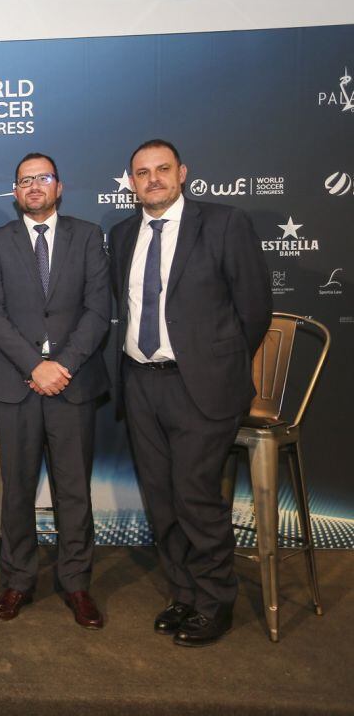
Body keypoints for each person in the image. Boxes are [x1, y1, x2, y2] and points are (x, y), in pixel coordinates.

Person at [110, 139, 271, 647]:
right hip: (139, 383)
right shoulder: (121, 235)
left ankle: (214, 600)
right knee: (161, 499)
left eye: (162, 169)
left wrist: (215, 365)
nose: (152, 179)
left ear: (182, 174)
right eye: (142, 172)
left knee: (196, 496)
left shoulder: (224, 223)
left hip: (201, 387)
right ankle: (182, 594)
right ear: (131, 183)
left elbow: (254, 310)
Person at [0, 153, 110, 628]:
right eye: (25, 180)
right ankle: (19, 581)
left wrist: (62, 366)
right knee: (18, 491)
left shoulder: (89, 236)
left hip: (72, 384)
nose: (34, 186)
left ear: (59, 187)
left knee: (73, 490)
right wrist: (35, 365)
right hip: (16, 384)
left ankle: (76, 584)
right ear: (15, 192)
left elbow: (99, 310)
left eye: (43, 178)